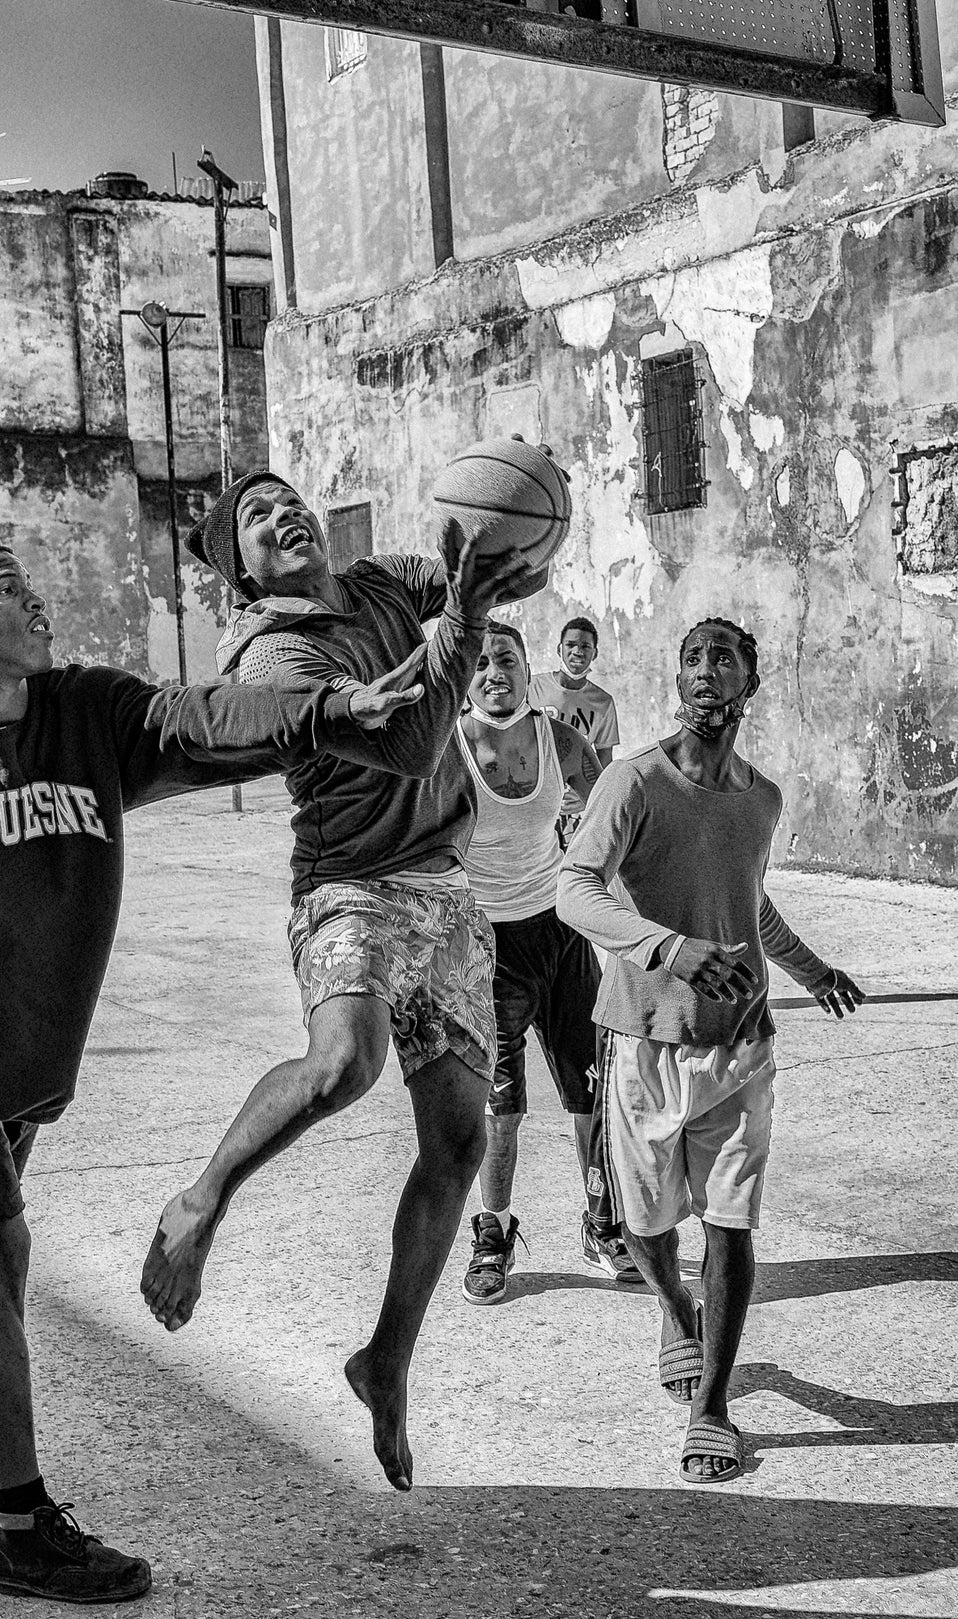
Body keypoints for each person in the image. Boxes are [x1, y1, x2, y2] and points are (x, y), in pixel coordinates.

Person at [0, 541, 465, 1605]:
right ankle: (20, 1525)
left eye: (32, 587)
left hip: (24, 1048)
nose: (36, 602)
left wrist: (331, 712)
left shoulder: (85, 713)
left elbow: (206, 714)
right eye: (8, 592)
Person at [141, 469, 535, 1493]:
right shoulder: (270, 651)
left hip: (445, 891)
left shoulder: (378, 582)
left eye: (287, 498)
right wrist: (465, 611)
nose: (284, 513)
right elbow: (406, 739)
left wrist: (502, 554)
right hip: (349, 887)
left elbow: (481, 584)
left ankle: (386, 1357)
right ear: (245, 569)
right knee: (341, 1063)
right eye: (257, 517)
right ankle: (201, 1195)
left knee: (459, 1138)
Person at [557, 616, 864, 1484]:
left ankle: (714, 1406)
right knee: (647, 1229)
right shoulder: (634, 781)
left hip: (740, 1047)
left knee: (730, 1222)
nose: (704, 671)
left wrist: (810, 968)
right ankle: (674, 1304)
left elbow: (749, 902)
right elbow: (573, 891)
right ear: (678, 677)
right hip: (642, 1042)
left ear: (747, 684)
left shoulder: (761, 799)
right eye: (691, 657)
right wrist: (670, 947)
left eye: (722, 657)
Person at [454, 619, 640, 1305]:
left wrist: (634, 921)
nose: (493, 671)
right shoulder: (450, 750)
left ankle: (600, 1220)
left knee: (590, 1093)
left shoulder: (560, 740)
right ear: (465, 676)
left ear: (526, 669)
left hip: (560, 935)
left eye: (504, 658)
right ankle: (493, 1231)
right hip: (489, 950)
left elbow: (615, 816)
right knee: (500, 1108)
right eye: (478, 662)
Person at [528, 616, 620, 767]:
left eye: (585, 646)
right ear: (559, 649)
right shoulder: (531, 686)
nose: (577, 651)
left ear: (595, 653)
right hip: (537, 779)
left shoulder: (603, 702)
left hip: (575, 786)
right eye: (570, 645)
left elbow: (604, 759)